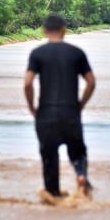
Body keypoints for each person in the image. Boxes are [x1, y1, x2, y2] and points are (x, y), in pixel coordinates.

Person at [24, 15, 96, 203]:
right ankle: (81, 174)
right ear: (64, 30)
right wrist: (81, 104)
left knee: (49, 158)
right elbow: (91, 82)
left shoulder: (37, 54)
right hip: (71, 112)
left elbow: (28, 83)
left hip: (46, 113)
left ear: (44, 31)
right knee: (78, 151)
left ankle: (53, 196)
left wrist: (32, 107)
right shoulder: (76, 53)